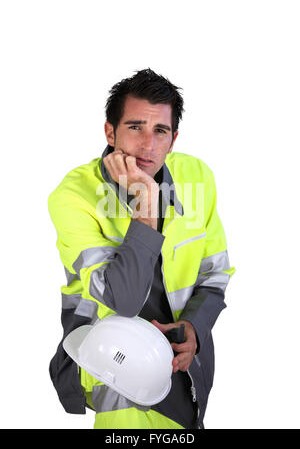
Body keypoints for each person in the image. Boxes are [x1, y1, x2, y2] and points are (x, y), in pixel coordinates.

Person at [48, 68, 235, 430]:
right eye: (135, 127)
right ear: (110, 131)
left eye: (160, 131)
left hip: (185, 372)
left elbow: (215, 272)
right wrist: (146, 206)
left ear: (174, 137)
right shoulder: (73, 196)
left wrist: (195, 327)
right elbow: (124, 300)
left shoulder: (197, 177)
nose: (148, 144)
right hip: (116, 373)